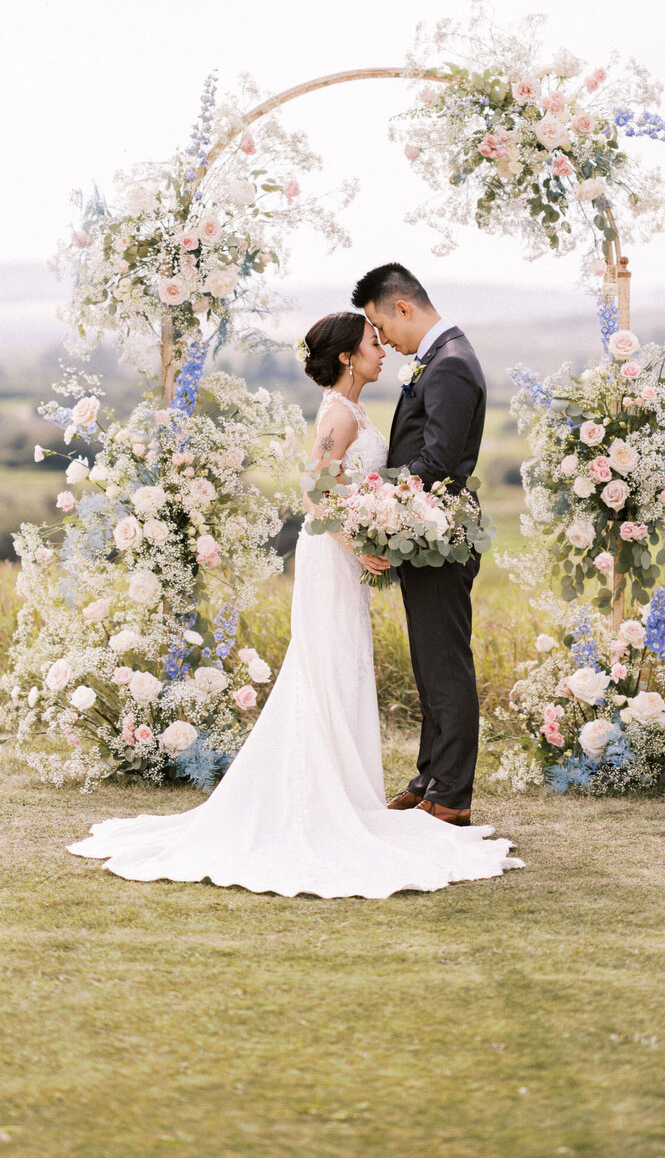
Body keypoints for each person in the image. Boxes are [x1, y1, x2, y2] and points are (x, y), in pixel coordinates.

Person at [67, 309, 521, 897]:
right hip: (330, 556)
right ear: (346, 359)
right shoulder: (337, 413)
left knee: (342, 666)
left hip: (346, 556)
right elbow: (316, 492)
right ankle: (317, 799)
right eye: (371, 344)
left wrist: (375, 529)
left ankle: (344, 791)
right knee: (324, 667)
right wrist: (358, 541)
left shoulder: (353, 410)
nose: (382, 351)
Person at [351, 263, 487, 825]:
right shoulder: (437, 359)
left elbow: (436, 462)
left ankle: (451, 795)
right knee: (429, 664)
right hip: (424, 532)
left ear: (402, 307)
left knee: (446, 664)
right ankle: (429, 777)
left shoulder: (450, 365)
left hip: (441, 536)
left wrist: (369, 502)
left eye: (380, 326)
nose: (381, 340)